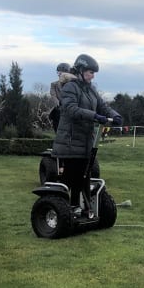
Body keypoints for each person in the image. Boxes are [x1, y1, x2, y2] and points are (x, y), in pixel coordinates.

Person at [52, 53, 122, 215]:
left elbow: (102, 106)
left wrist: (115, 115)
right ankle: (68, 207)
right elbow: (71, 109)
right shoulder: (70, 87)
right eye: (91, 72)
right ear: (81, 70)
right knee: (73, 175)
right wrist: (95, 116)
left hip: (86, 141)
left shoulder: (90, 89)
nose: (93, 76)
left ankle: (84, 208)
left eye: (93, 73)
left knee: (85, 174)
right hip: (71, 140)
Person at [49, 62, 75, 132]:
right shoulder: (53, 84)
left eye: (61, 73)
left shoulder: (74, 85)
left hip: (71, 110)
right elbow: (53, 95)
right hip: (59, 110)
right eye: (58, 73)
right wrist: (58, 105)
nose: (59, 75)